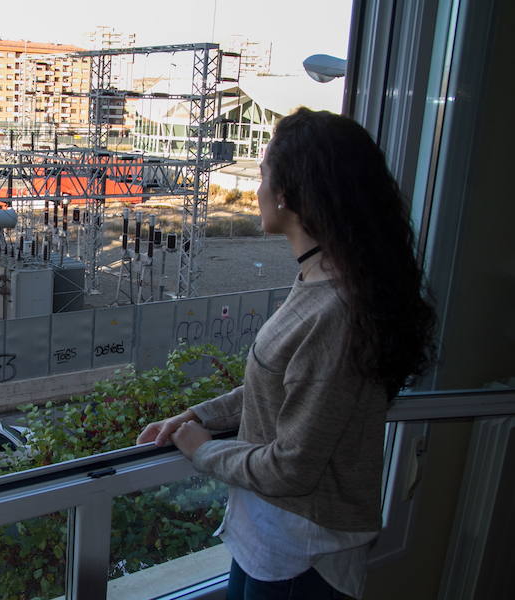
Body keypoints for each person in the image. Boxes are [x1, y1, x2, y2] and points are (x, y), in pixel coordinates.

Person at [137, 108, 435, 600]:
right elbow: (276, 383)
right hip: (274, 541)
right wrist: (198, 414)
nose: (254, 190)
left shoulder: (337, 309)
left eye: (261, 176)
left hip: (300, 556)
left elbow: (293, 467)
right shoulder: (323, 279)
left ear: (288, 194)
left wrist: (203, 449)